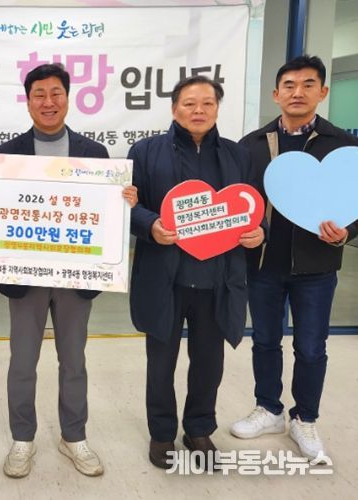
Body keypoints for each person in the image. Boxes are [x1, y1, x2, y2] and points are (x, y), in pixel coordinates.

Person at [0, 63, 137, 478]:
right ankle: (22, 438)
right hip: (24, 275)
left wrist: (124, 202)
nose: (48, 102)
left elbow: (105, 215)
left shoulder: (94, 154)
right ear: (28, 101)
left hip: (77, 276)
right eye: (39, 94)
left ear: (68, 97)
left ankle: (73, 436)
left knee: (74, 360)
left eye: (56, 93)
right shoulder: (7, 153)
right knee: (22, 361)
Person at [128, 75, 264, 470]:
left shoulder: (238, 155)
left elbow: (254, 207)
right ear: (174, 109)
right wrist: (150, 224)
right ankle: (162, 433)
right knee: (161, 362)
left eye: (207, 103)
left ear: (218, 108)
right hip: (164, 277)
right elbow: (128, 205)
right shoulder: (145, 151)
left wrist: (259, 233)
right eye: (189, 103)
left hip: (217, 279)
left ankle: (199, 428)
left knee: (209, 362)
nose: (199, 110)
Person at [230, 55, 358, 460]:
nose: (297, 92)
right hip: (263, 264)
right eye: (289, 85)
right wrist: (247, 232)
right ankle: (269, 408)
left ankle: (306, 418)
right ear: (276, 94)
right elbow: (240, 201)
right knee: (265, 341)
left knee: (311, 346)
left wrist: (347, 232)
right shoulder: (252, 145)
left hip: (316, 267)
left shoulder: (344, 146)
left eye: (308, 84)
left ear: (323, 91)